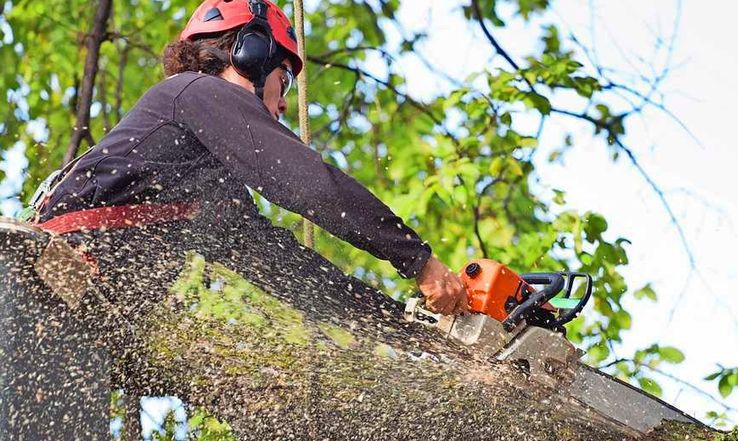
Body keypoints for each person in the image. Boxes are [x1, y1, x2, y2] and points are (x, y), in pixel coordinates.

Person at [34, 0, 467, 316]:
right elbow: (309, 184)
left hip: (76, 308)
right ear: (251, 53)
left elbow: (288, 271)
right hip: (53, 275)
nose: (282, 105)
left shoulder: (206, 183)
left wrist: (404, 325)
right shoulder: (194, 92)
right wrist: (418, 260)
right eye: (285, 79)